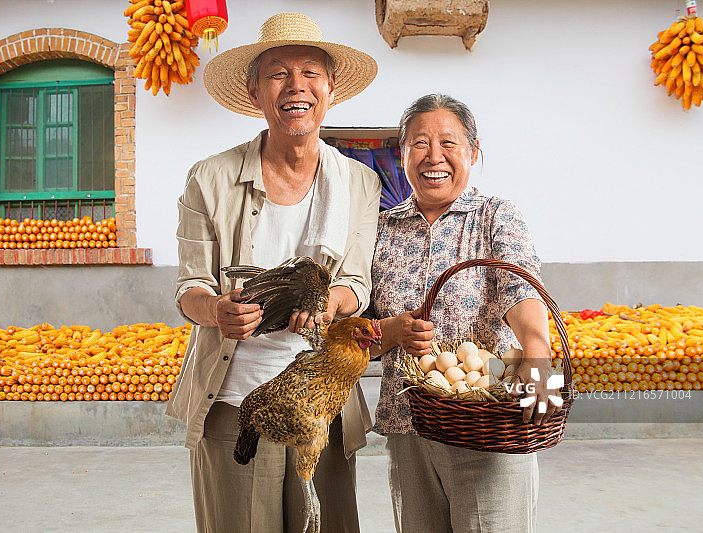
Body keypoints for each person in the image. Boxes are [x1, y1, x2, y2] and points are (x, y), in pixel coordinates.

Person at [164, 12, 381, 533]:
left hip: (321, 400)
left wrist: (329, 305)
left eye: (310, 72)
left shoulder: (358, 182)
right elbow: (190, 286)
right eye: (278, 72)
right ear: (255, 89)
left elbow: (356, 282)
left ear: (330, 88)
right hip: (234, 397)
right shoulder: (210, 178)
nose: (296, 87)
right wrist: (217, 310)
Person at [367, 94, 561, 532]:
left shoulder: (495, 216)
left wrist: (536, 348)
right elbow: (360, 328)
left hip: (488, 422)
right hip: (410, 423)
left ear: (473, 153)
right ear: (402, 156)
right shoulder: (383, 230)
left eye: (449, 143)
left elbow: (521, 286)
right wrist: (392, 333)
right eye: (419, 143)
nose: (434, 156)